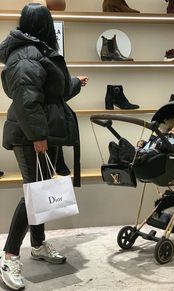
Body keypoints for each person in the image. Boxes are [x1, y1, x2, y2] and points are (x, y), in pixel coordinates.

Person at [0, 3, 88, 290]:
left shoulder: (36, 50)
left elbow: (51, 93)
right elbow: (27, 101)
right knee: (33, 194)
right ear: (43, 24)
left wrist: (75, 83)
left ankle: (37, 245)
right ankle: (9, 256)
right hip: (31, 136)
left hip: (43, 134)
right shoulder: (26, 55)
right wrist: (38, 136)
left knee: (40, 192)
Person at [108, 116, 174, 165]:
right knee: (138, 150)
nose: (171, 130)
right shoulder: (161, 135)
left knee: (148, 153)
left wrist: (161, 145)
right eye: (171, 129)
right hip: (145, 151)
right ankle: (116, 157)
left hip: (157, 156)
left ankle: (131, 155)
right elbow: (152, 142)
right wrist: (143, 143)